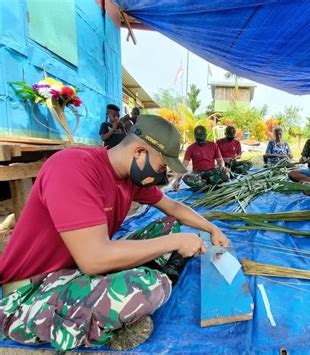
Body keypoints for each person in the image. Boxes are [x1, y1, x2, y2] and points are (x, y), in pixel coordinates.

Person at [0, 115, 229, 351]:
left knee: (168, 224)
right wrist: (175, 243)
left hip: (74, 269)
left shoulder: (129, 177)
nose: (161, 176)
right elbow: (93, 259)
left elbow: (173, 207)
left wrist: (211, 228)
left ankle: (121, 290)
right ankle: (113, 314)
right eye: (162, 167)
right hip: (30, 291)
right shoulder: (73, 168)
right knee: (149, 287)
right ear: (139, 153)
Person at [173, 125, 229, 191]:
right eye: (198, 139)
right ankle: (209, 183)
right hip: (198, 173)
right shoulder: (190, 148)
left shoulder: (213, 145)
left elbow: (220, 160)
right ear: (195, 137)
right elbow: (184, 166)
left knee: (226, 174)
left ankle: (205, 185)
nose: (200, 141)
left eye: (201, 138)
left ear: (206, 135)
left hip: (212, 171)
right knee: (186, 178)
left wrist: (222, 166)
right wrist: (177, 180)